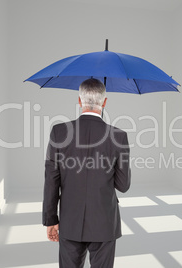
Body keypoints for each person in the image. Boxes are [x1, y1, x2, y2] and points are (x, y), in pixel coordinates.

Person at [43, 78, 131, 268]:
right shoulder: (119, 136)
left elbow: (51, 179)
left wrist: (51, 220)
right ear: (104, 102)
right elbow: (123, 186)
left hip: (69, 220)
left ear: (80, 100)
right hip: (104, 222)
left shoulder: (59, 132)